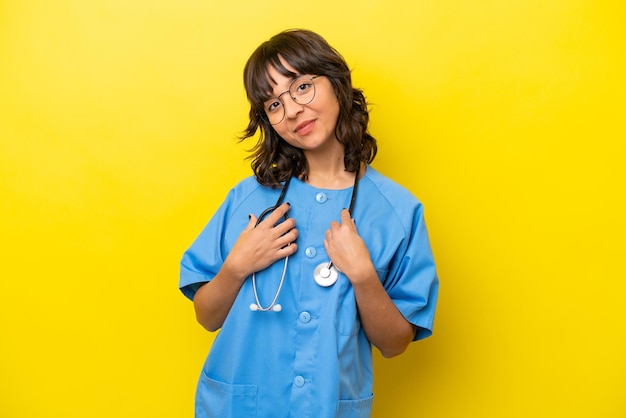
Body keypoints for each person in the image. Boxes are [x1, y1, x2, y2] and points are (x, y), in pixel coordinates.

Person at [179, 29, 439, 418]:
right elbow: (207, 316)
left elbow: (395, 343)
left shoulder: (398, 211)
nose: (293, 110)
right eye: (273, 104)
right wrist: (236, 267)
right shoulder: (248, 199)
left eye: (302, 87)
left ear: (336, 83)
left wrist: (365, 276)